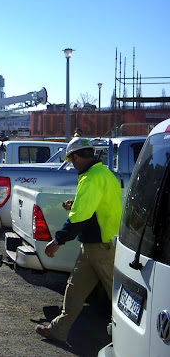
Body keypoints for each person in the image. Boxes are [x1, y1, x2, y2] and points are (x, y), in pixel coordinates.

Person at [35, 138, 122, 343]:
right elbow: (97, 205)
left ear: (76, 157)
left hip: (102, 246)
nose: (73, 165)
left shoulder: (91, 178)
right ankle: (58, 329)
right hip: (93, 245)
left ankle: (127, 340)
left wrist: (57, 240)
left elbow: (79, 217)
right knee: (75, 288)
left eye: (72, 160)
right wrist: (76, 204)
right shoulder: (105, 174)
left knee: (117, 297)